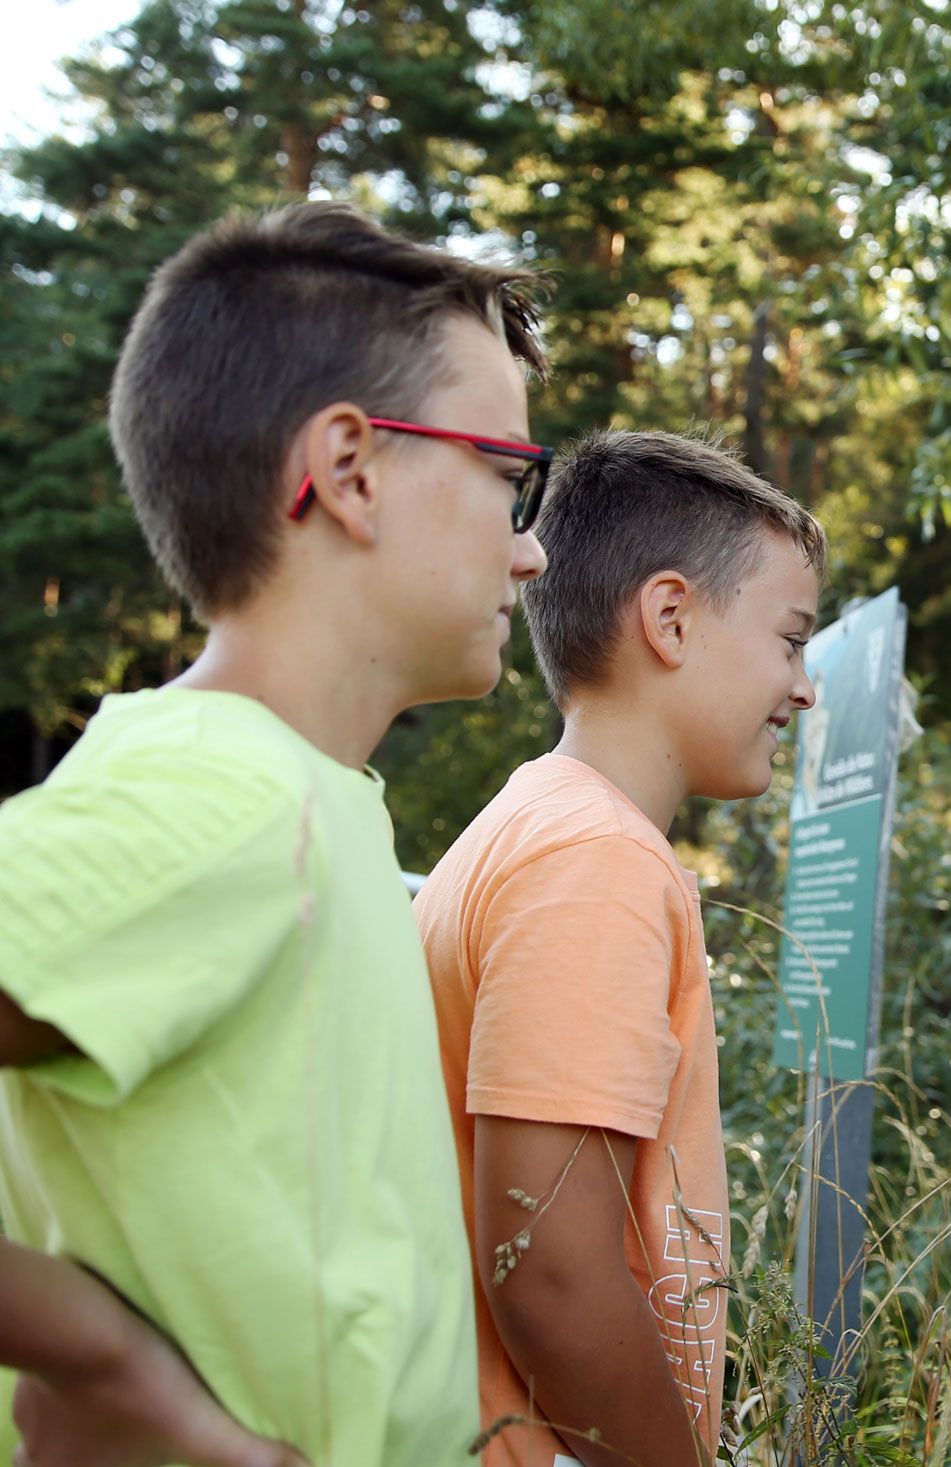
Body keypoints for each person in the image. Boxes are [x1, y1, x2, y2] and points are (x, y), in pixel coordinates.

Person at [0, 201, 551, 1464]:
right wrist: (114, 1373)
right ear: (351, 470)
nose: (530, 554)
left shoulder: (305, 799)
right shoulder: (220, 797)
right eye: (509, 477)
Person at [415, 429, 824, 1466]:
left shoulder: (532, 822)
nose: (803, 687)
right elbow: (548, 1268)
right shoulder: (597, 862)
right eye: (790, 639)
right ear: (672, 618)